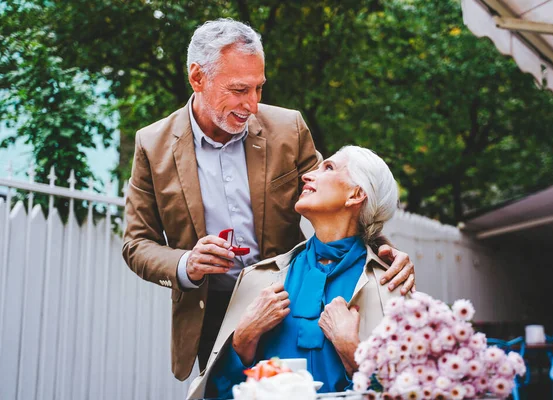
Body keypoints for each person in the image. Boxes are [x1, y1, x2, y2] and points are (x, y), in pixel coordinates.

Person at [122, 18, 416, 382]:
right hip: (210, 315)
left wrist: (383, 254)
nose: (253, 105)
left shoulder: (289, 128)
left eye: (259, 88)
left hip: (290, 305)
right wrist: (187, 264)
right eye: (239, 90)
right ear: (198, 78)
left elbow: (338, 200)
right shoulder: (151, 145)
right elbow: (136, 244)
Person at [186, 146, 403, 399]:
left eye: (329, 167)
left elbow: (411, 390)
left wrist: (354, 353)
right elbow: (219, 393)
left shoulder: (391, 287)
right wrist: (243, 340)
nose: (307, 176)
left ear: (355, 195)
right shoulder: (255, 279)